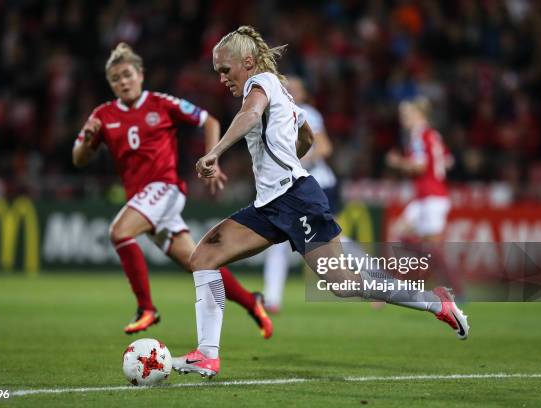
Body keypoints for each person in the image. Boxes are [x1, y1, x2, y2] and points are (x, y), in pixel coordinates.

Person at [171, 26, 469, 379]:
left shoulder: (260, 84)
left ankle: (437, 303)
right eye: (217, 72)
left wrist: (216, 152)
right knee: (204, 255)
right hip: (272, 202)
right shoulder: (280, 92)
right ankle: (207, 355)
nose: (221, 78)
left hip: (295, 200)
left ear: (247, 62)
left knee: (344, 283)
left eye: (225, 70)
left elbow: (250, 116)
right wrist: (287, 161)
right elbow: (308, 135)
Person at [72, 42, 272, 338]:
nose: (123, 82)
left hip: (164, 189)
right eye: (116, 79)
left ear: (140, 74)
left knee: (119, 232)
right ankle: (250, 300)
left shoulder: (161, 103)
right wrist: (87, 141)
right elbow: (79, 159)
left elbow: (210, 121)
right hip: (143, 199)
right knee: (198, 261)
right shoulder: (102, 115)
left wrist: (212, 157)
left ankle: (146, 308)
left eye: (127, 75)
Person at [262, 76, 339, 313]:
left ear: (304, 93)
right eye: (286, 87)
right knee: (280, 243)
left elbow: (325, 147)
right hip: (294, 187)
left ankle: (376, 276)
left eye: (295, 88)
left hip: (316, 184)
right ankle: (271, 300)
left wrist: (298, 160)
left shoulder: (307, 113)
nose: (289, 91)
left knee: (330, 244)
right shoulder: (280, 112)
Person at [386, 96, 453, 243]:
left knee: (430, 247)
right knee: (397, 234)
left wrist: (397, 162)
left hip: (431, 197)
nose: (402, 118)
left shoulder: (419, 136)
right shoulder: (433, 134)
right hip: (427, 196)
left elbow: (420, 166)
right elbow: (448, 161)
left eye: (406, 114)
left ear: (418, 114)